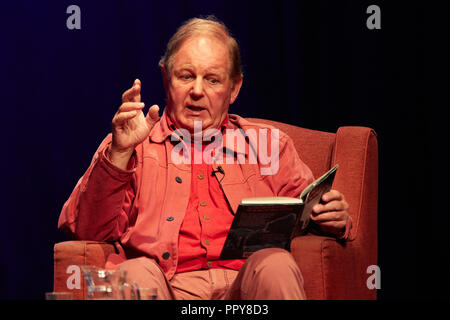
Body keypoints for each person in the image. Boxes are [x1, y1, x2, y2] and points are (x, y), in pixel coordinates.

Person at [58, 16, 351, 300]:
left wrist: (331, 217)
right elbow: (86, 229)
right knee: (133, 273)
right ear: (165, 78)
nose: (197, 91)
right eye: (186, 76)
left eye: (212, 80)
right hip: (166, 285)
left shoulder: (270, 145)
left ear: (233, 88)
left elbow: (307, 209)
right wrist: (119, 154)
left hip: (246, 285)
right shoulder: (130, 145)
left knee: (275, 264)